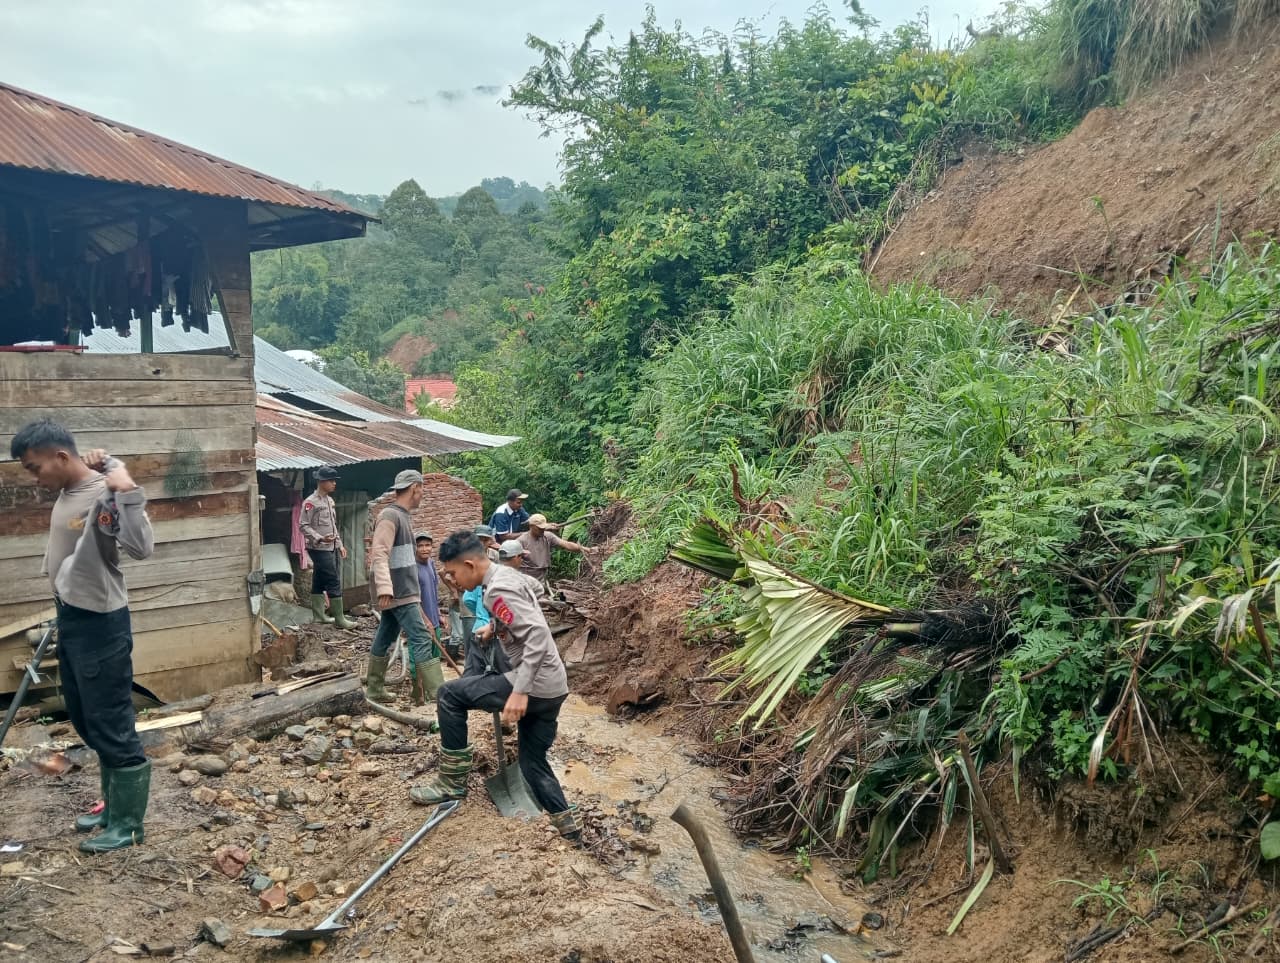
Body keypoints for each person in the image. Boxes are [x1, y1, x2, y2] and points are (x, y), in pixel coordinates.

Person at [11, 419, 155, 852]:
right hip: (72, 618)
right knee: (85, 716)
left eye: (35, 468)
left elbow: (140, 546)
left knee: (111, 721)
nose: (34, 478)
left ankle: (128, 826)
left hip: (100, 625)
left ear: (60, 457)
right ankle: (112, 808)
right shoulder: (70, 491)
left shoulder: (103, 493)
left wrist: (125, 486)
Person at [412, 531, 581, 842]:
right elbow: (531, 592)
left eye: (453, 573)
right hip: (554, 687)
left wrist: (519, 691)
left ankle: (451, 782)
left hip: (534, 684)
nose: (452, 580)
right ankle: (568, 828)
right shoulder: (507, 575)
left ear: (469, 564)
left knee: (449, 695)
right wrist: (496, 626)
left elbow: (539, 639)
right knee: (532, 762)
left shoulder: (496, 589)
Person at [365, 470, 443, 705]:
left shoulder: (401, 516)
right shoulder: (390, 515)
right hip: (397, 590)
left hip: (400, 590)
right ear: (415, 488)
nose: (422, 495)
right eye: (422, 490)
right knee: (420, 637)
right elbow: (379, 551)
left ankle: (375, 688)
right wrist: (384, 587)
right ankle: (439, 696)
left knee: (386, 635)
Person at [298, 467, 353, 628]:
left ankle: (319, 615)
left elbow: (333, 526)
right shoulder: (310, 502)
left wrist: (340, 544)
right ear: (322, 482)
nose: (334, 483)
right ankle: (340, 619)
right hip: (318, 548)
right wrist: (320, 538)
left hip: (332, 546)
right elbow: (303, 525)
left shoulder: (329, 501)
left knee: (319, 579)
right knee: (333, 579)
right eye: (331, 481)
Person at [411, 532, 447, 702]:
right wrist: (425, 621)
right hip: (419, 622)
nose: (424, 549)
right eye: (420, 546)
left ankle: (433, 693)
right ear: (415, 548)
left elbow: (433, 590)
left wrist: (439, 614)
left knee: (433, 658)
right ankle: (418, 694)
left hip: (434, 619)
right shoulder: (412, 569)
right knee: (419, 658)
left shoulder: (431, 563)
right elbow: (413, 600)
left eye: (427, 545)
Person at [516, 514, 584, 584]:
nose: (542, 530)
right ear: (531, 526)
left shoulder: (547, 536)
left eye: (543, 528)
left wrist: (586, 549)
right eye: (539, 528)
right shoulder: (521, 541)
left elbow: (567, 544)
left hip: (542, 577)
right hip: (526, 579)